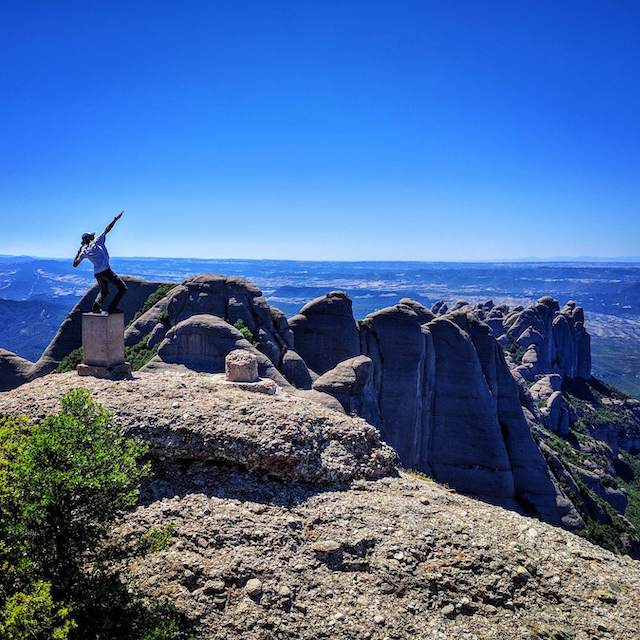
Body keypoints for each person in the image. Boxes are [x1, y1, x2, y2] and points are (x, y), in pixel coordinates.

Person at [73, 211, 128, 314]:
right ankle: (112, 307)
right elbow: (107, 230)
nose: (93, 236)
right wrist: (115, 219)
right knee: (123, 288)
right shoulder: (97, 241)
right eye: (91, 236)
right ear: (89, 238)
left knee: (104, 291)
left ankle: (96, 307)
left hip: (97, 274)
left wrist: (78, 251)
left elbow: (75, 264)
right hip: (106, 271)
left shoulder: (84, 251)